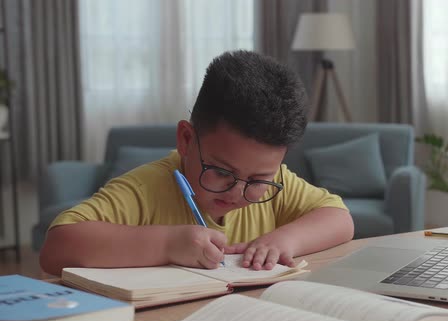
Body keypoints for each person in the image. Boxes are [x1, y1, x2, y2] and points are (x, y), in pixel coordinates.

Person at [40, 50, 354, 276]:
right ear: (187, 140)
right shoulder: (145, 188)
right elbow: (57, 247)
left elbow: (340, 219)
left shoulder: (277, 183)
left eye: (258, 182)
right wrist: (167, 243)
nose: (237, 193)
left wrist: (286, 238)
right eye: (220, 172)